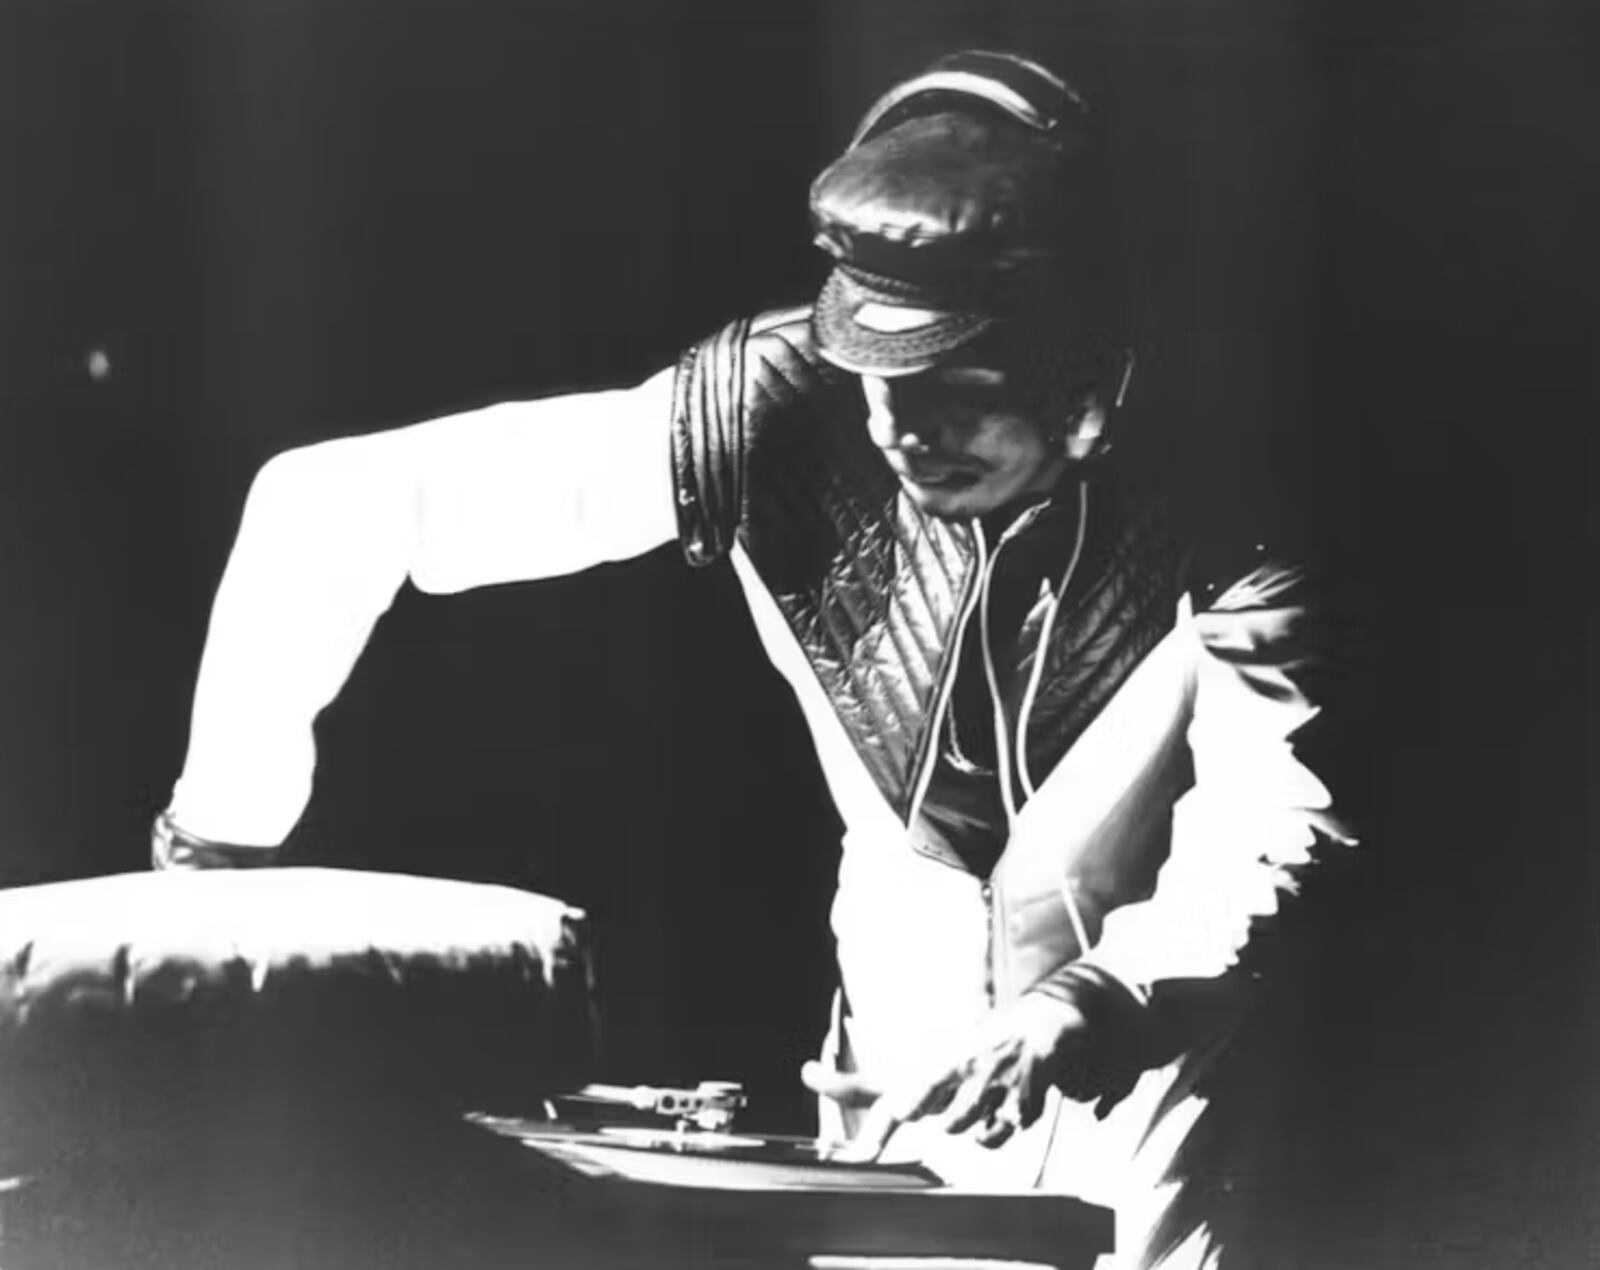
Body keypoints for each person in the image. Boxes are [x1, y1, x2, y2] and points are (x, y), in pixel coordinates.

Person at [152, 50, 1356, 1270]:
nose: (898, 428)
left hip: (1152, 1087)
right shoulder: (776, 408)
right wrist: (219, 839)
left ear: (1094, 377)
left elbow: (1277, 832)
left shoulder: (1234, 491)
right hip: (896, 1070)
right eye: (875, 372)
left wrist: (1087, 1004)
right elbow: (332, 505)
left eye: (959, 380)